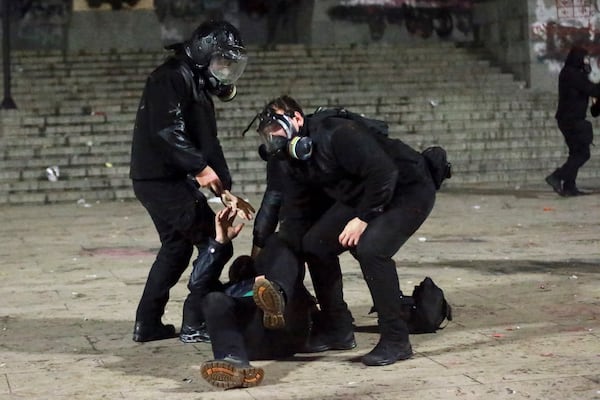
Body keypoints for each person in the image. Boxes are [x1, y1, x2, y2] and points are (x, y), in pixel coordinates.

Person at [253, 95, 438, 367]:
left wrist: (363, 218)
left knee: (372, 250)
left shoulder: (337, 133)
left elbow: (384, 172)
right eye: (268, 134)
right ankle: (337, 328)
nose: (274, 138)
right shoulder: (288, 160)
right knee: (315, 244)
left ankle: (396, 340)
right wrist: (266, 257)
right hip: (362, 194)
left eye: (277, 128)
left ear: (297, 119)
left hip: (407, 188)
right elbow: (293, 211)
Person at [129, 20, 255, 342]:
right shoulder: (170, 77)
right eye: (221, 62)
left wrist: (223, 187)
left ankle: (148, 323)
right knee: (216, 242)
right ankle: (195, 323)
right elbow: (166, 130)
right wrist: (199, 168)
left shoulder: (194, 82)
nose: (225, 71)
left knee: (176, 248)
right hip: (161, 179)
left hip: (163, 178)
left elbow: (208, 141)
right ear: (203, 53)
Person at [188, 206, 314, 389]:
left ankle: (277, 298)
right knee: (213, 299)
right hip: (249, 340)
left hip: (285, 324)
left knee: (280, 240)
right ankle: (233, 363)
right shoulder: (226, 291)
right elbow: (196, 284)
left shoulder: (276, 274)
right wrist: (219, 242)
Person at [546, 45, 600, 197]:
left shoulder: (571, 73)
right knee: (583, 154)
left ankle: (569, 186)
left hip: (569, 119)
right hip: (572, 120)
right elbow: (593, 90)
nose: (586, 62)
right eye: (584, 59)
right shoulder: (573, 74)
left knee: (575, 152)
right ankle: (557, 176)